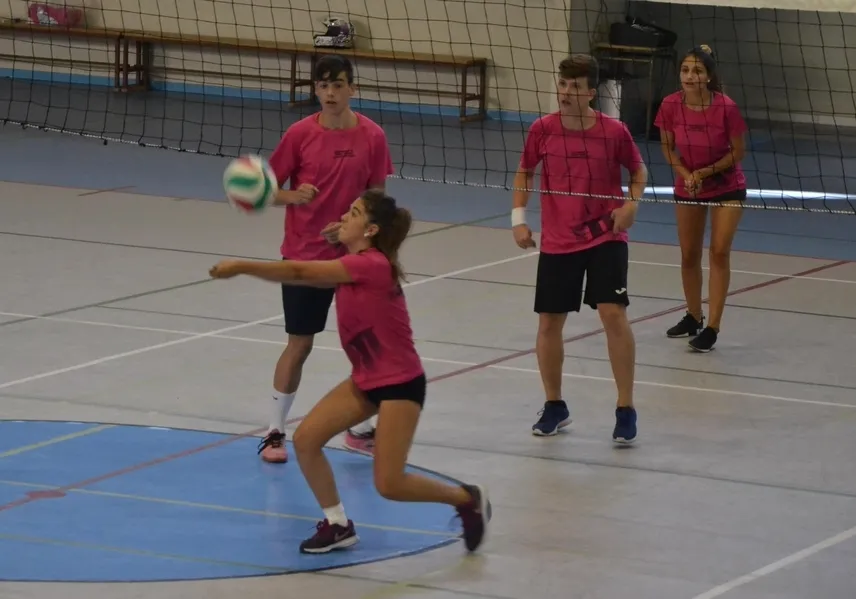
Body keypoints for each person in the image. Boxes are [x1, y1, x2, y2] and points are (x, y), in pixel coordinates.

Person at [209, 190, 491, 554]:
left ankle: (466, 498)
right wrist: (341, 235)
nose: (343, 215)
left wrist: (242, 266)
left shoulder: (371, 265)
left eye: (353, 213)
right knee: (307, 440)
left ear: (371, 230)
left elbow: (299, 271)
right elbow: (322, 265)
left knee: (389, 484)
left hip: (400, 383)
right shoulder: (356, 259)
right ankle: (338, 524)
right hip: (366, 379)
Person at [258, 54, 389, 463]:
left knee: (367, 345)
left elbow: (377, 199)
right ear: (315, 89)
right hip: (305, 257)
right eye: (323, 86)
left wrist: (352, 228)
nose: (330, 93)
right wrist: (292, 196)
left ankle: (360, 429)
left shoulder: (373, 136)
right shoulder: (299, 134)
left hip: (355, 259)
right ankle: (274, 433)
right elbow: (265, 190)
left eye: (338, 85)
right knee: (300, 344)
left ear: (353, 88)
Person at [511, 54, 648, 444]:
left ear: (591, 92)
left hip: (606, 232)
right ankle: (555, 405)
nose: (567, 92)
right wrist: (518, 219)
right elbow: (525, 171)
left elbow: (638, 171)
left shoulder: (614, 131)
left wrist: (631, 205)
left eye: (575, 86)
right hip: (559, 239)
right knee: (549, 322)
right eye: (563, 84)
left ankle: (625, 408)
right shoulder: (542, 129)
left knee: (612, 313)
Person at [654, 45, 748, 353]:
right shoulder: (670, 104)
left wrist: (704, 173)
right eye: (685, 70)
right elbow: (667, 147)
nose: (690, 76)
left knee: (719, 252)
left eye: (697, 71)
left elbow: (738, 152)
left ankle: (712, 328)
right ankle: (694, 316)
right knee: (688, 254)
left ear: (708, 77)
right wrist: (686, 174)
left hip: (725, 183)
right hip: (689, 183)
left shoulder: (726, 107)